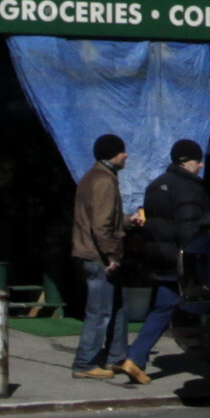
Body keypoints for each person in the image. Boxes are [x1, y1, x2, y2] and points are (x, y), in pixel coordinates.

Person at [119, 139, 208, 386]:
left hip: (160, 258)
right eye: (198, 161)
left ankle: (135, 358)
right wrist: (194, 255)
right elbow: (188, 229)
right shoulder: (189, 189)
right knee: (206, 305)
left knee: (162, 308)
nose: (200, 166)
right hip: (182, 260)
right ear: (187, 161)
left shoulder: (155, 186)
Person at [71, 133, 129, 379]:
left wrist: (127, 221)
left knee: (117, 307)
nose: (126, 155)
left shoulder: (93, 177)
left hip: (91, 253)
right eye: (122, 151)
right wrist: (112, 255)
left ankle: (115, 358)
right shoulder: (104, 181)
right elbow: (101, 225)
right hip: (97, 257)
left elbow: (104, 218)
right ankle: (85, 363)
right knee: (100, 312)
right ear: (113, 155)